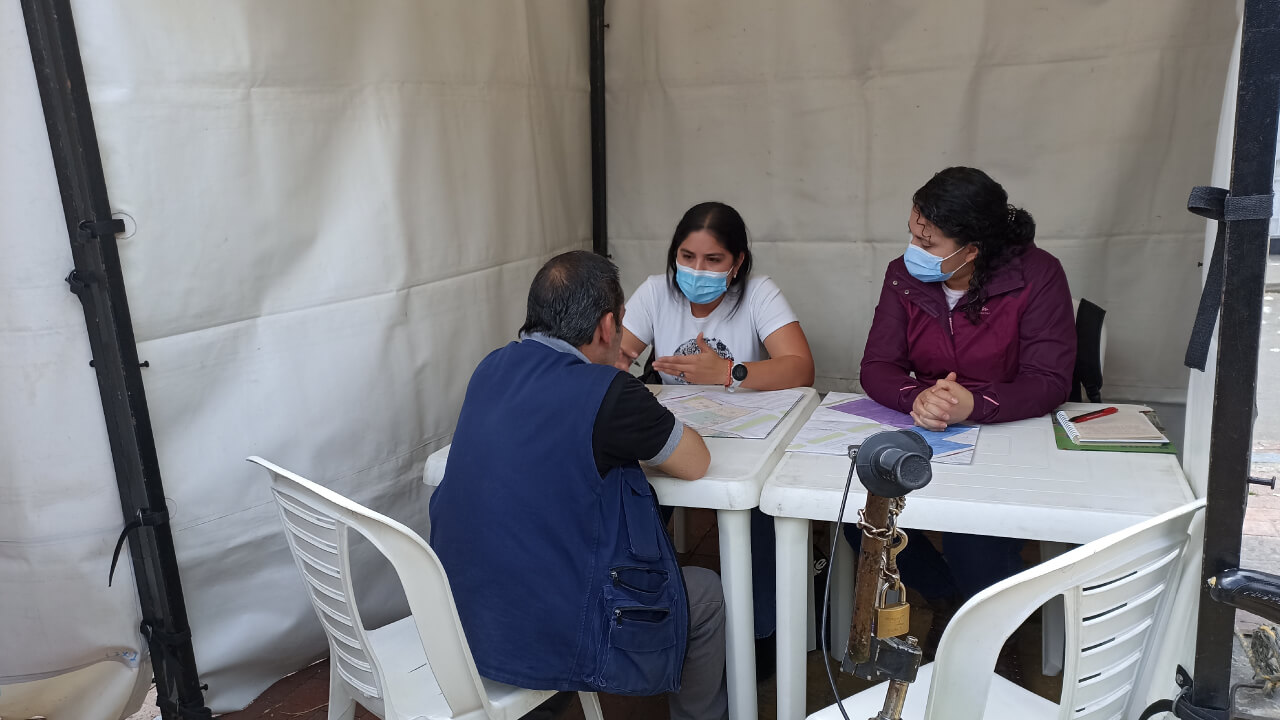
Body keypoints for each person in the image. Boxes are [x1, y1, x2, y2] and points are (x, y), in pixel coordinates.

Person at [429, 250, 729, 720]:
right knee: (707, 594)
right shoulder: (609, 392)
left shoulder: (490, 367)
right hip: (551, 623)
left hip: (461, 614)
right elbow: (695, 461)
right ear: (608, 326)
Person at [857, 167, 1076, 629]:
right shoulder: (904, 277)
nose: (913, 250)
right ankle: (951, 599)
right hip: (934, 428)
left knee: (970, 537)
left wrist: (975, 406)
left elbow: (1050, 379)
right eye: (912, 235)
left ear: (972, 249)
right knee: (867, 512)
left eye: (928, 243)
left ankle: (988, 627)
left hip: (1012, 430)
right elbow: (877, 366)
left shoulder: (1037, 275)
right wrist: (919, 398)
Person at [615, 201, 815, 651]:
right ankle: (642, 614)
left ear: (737, 262)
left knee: (760, 510)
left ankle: (762, 634)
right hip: (674, 435)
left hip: (749, 436)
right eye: (687, 257)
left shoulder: (758, 292)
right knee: (633, 493)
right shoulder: (654, 292)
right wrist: (620, 361)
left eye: (713, 260)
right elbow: (617, 356)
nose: (696, 270)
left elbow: (801, 368)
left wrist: (728, 373)